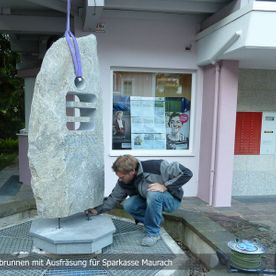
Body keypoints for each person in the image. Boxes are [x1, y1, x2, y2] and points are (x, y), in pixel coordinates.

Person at [86, 154, 193, 247]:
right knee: (128, 204)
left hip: (171, 200)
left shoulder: (157, 166)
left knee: (153, 193)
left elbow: (187, 173)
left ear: (132, 171)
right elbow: (114, 198)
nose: (120, 179)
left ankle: (153, 233)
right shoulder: (124, 182)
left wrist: (165, 186)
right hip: (149, 200)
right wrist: (97, 210)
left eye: (122, 177)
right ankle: (157, 221)